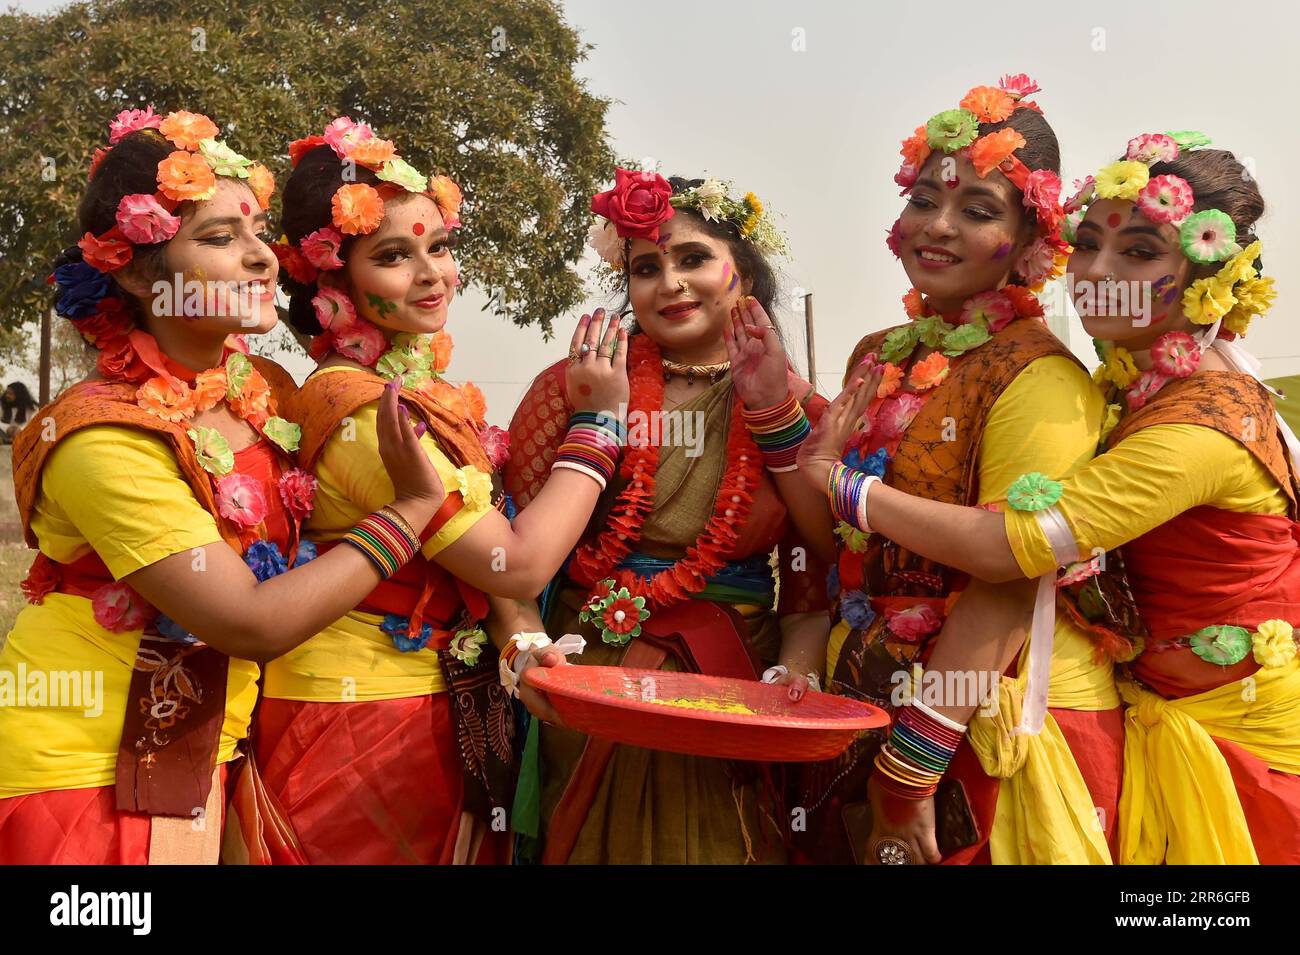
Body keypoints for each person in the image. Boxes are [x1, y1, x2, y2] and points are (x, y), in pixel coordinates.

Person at [806, 131, 1296, 864]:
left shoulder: (1195, 420)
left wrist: (842, 486)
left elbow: (1010, 550)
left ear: (1210, 275)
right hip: (1147, 712)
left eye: (1138, 252)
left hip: (1227, 743)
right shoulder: (1132, 388)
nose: (1096, 271)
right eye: (1090, 243)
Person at [0, 107, 446, 864]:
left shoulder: (261, 387)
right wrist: (409, 513)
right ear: (141, 273)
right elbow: (247, 621)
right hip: (82, 769)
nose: (260, 259)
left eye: (255, 233)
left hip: (212, 749)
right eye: (216, 238)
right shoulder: (101, 435)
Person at [729, 75, 1125, 865]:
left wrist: (909, 773)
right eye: (922, 199)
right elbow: (835, 532)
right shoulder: (877, 354)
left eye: (978, 210)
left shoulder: (1042, 378)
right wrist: (774, 408)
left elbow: (1009, 578)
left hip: (987, 720)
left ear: (1033, 240)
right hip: (870, 693)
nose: (936, 227)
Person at [259, 118, 629, 863]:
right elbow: (516, 563)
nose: (433, 274)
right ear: (331, 284)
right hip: (358, 720)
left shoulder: (409, 388)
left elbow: (489, 575)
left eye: (440, 246)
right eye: (394, 255)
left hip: (419, 700)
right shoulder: (367, 410)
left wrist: (521, 641)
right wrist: (597, 423)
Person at [500, 170, 833, 864]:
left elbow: (813, 582)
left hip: (729, 688)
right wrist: (527, 652)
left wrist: (797, 679)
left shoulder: (796, 406)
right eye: (647, 268)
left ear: (740, 274)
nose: (670, 284)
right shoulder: (577, 387)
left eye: (691, 260)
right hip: (587, 685)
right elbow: (509, 561)